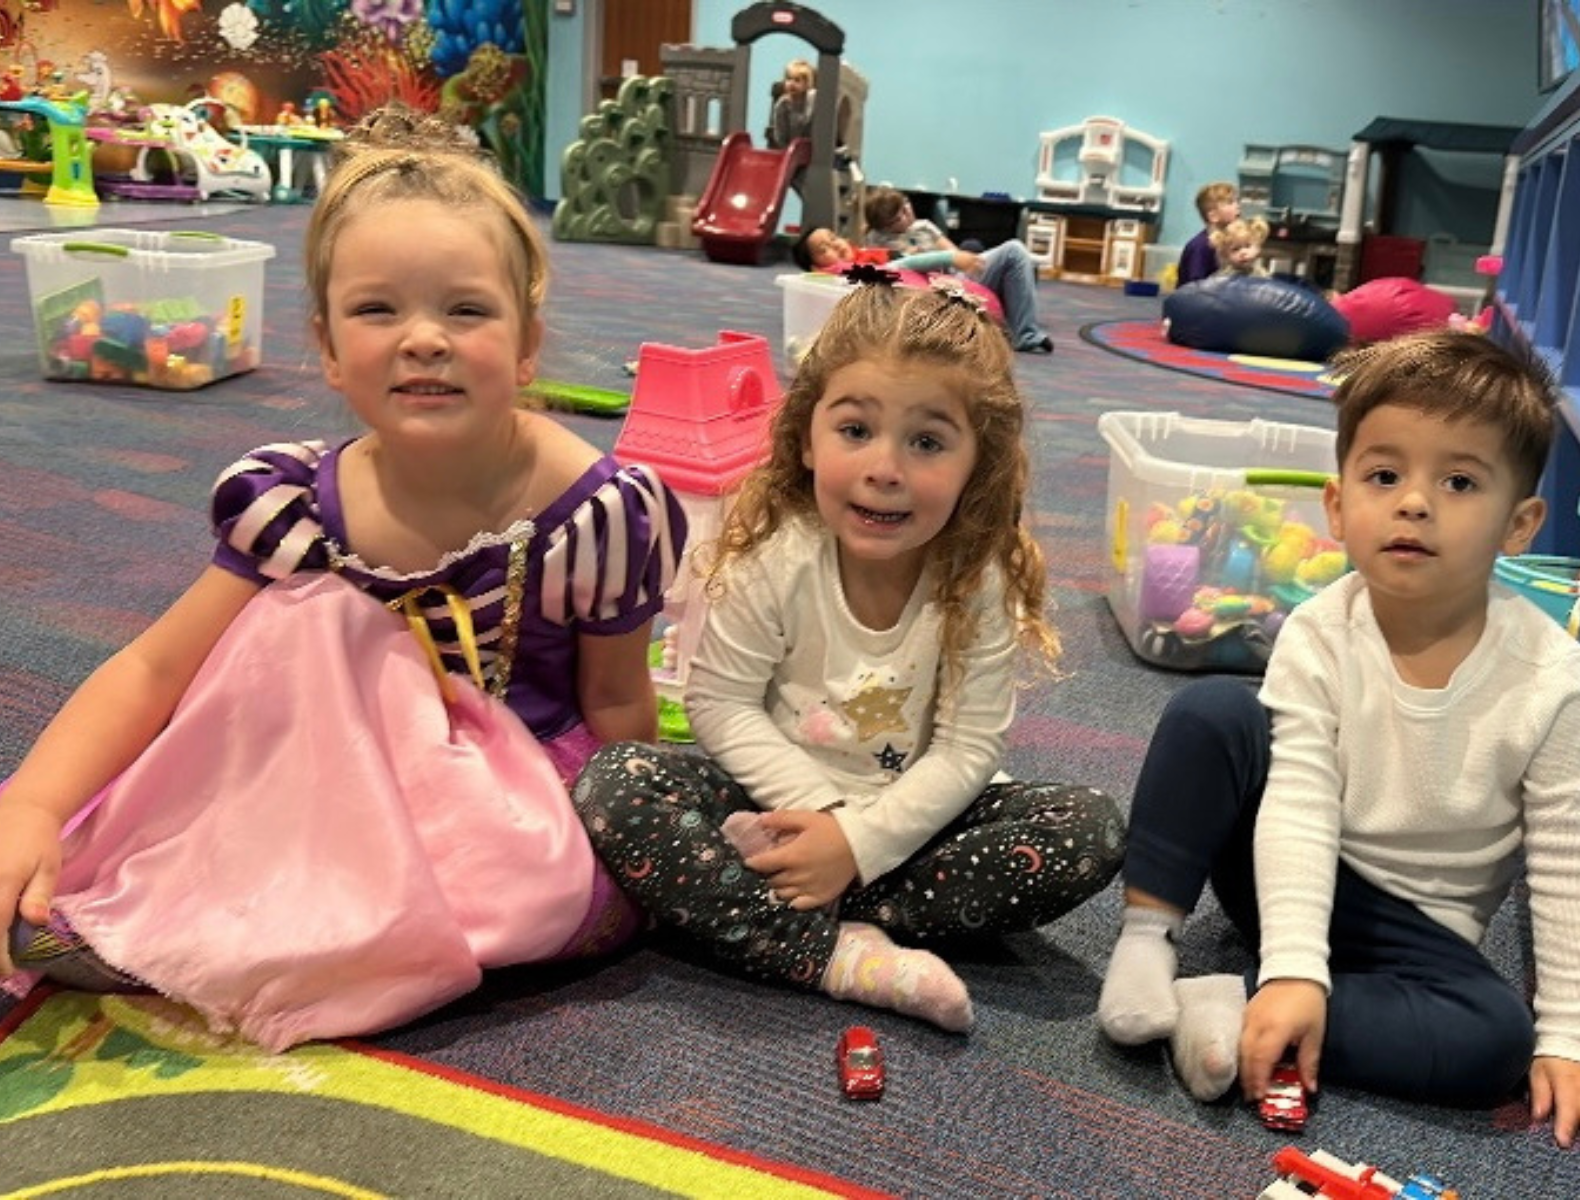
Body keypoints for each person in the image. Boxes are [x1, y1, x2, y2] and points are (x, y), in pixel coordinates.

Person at [0, 105, 688, 1051]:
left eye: (466, 309)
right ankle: (209, 915)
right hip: (333, 772)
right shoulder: (292, 500)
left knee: (541, 877)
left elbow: (618, 707)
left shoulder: (599, 512)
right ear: (326, 347)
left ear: (528, 342)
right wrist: (30, 804)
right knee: (298, 625)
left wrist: (621, 852)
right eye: (378, 310)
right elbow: (158, 670)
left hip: (512, 791)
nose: (423, 339)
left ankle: (278, 933)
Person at [1095, 330, 1580, 1159]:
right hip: (1285, 868)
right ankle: (1147, 944)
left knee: (1497, 1042)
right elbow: (1301, 802)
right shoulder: (1321, 629)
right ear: (1340, 505)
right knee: (1213, 715)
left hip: (1421, 935)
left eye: (1459, 481)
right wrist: (1295, 965)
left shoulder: (1554, 678)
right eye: (1385, 476)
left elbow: (1575, 861)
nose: (1415, 503)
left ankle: (1226, 1002)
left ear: (1520, 524)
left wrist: (1572, 1039)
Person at [573, 275, 1124, 1032]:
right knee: (617, 781)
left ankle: (769, 904)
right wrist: (824, 819)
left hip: (909, 825)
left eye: (927, 442)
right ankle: (833, 955)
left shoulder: (977, 578)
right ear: (806, 436)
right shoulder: (776, 555)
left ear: (977, 466)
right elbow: (719, 704)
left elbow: (968, 748)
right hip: (772, 808)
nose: (885, 468)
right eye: (856, 430)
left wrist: (857, 846)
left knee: (1085, 828)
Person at [845, 187, 1054, 353]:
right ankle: (1025, 334)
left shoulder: (924, 226)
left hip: (956, 276)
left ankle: (1023, 325)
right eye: (896, 218)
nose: (906, 216)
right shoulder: (880, 239)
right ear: (884, 226)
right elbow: (900, 266)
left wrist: (962, 259)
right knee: (1009, 251)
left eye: (905, 207)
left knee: (1008, 251)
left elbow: (956, 255)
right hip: (936, 285)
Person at [1176, 181, 1240, 288]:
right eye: (1230, 203)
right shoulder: (1201, 246)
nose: (1237, 206)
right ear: (1213, 216)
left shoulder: (1227, 243)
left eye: (1237, 201)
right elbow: (1195, 285)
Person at [767, 58, 814, 151]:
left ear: (806, 83)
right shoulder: (782, 104)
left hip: (813, 149)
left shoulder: (813, 99)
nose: (791, 84)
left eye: (797, 80)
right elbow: (780, 137)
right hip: (789, 150)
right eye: (788, 79)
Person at [1207, 216, 1272, 280]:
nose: (1243, 252)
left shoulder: (1263, 276)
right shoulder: (1222, 278)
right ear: (1225, 255)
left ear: (1258, 248)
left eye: (1247, 246)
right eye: (1235, 249)